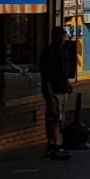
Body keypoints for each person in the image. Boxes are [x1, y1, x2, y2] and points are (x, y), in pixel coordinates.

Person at [39, 26, 73, 160]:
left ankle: (54, 144)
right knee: (54, 118)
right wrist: (50, 94)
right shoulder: (50, 53)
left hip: (61, 88)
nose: (64, 39)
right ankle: (54, 145)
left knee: (59, 118)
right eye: (63, 36)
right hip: (55, 90)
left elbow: (63, 72)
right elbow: (47, 76)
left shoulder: (61, 52)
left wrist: (67, 84)